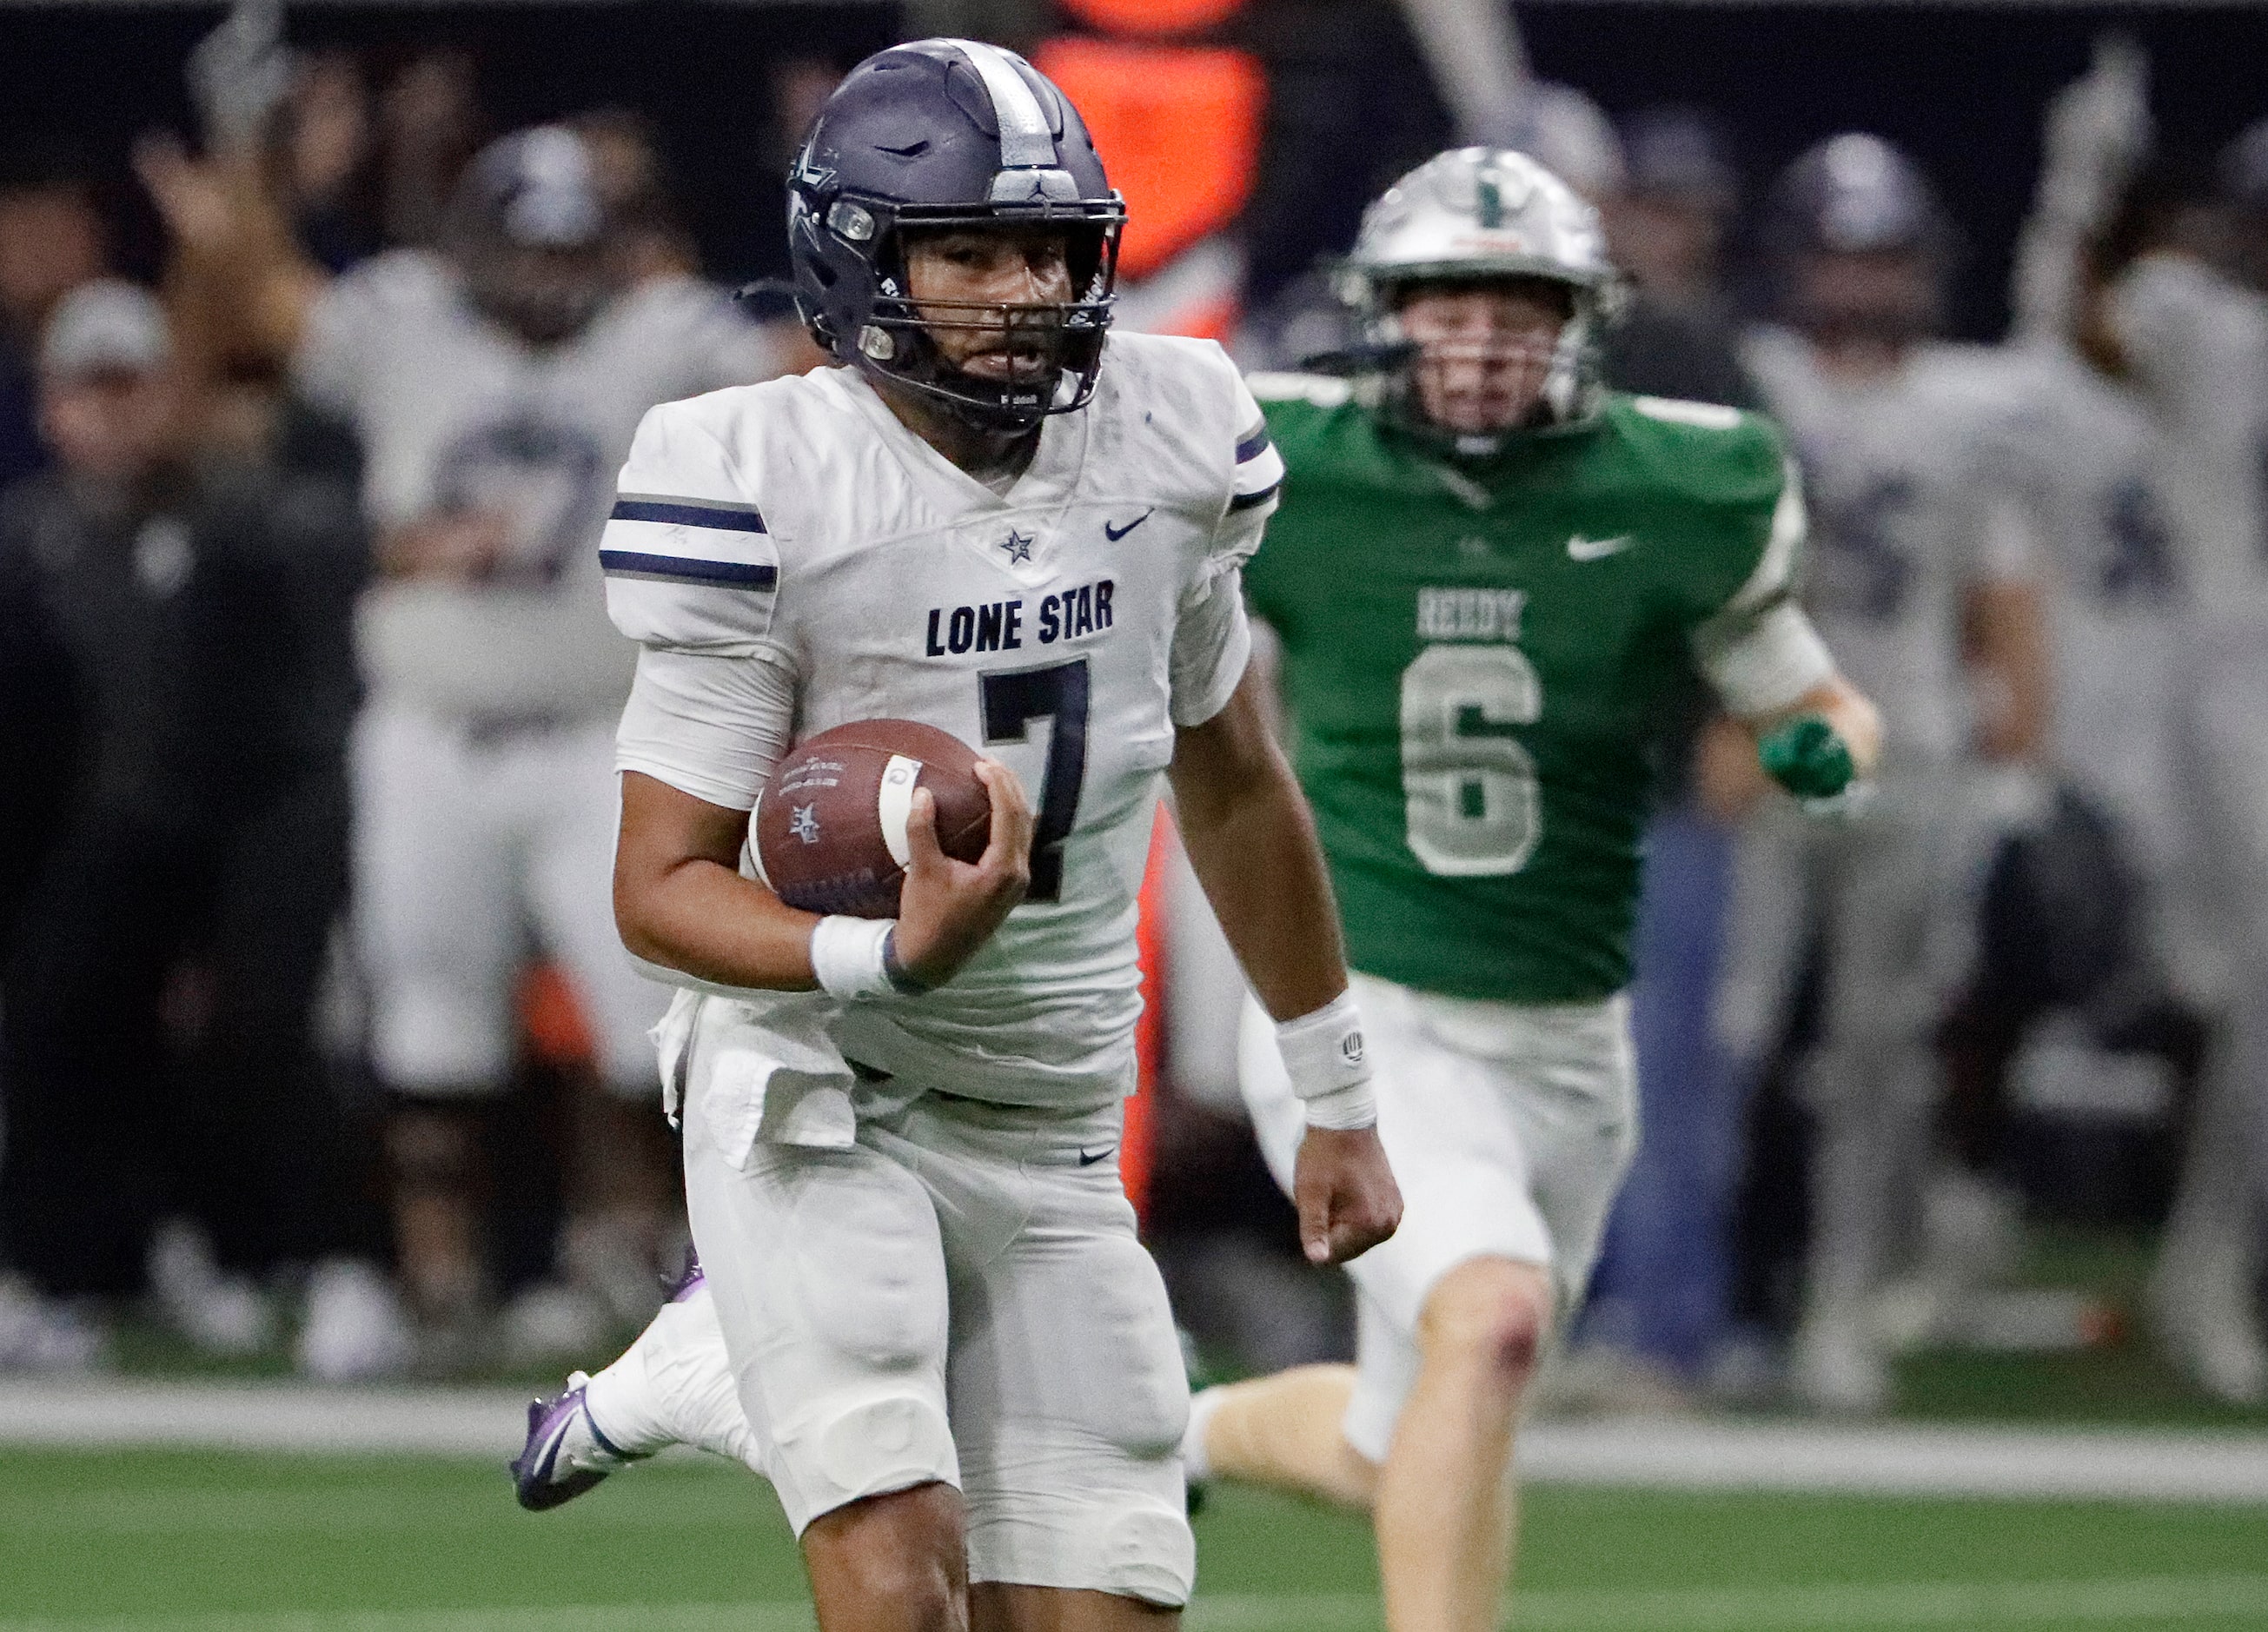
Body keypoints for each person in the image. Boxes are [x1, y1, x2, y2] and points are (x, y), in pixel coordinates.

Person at [510, 39, 1401, 1631]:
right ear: (861, 260)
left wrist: (1336, 1093)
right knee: (904, 1580)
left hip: (1053, 1109)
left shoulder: (1174, 432)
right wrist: (877, 950)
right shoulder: (758, 473)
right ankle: (756, 1341)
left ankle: (719, 1360)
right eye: (971, 250)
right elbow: (658, 890)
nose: (1022, 288)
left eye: (1053, 247)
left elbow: (1240, 782)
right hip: (819, 1086)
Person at [1174, 148, 1879, 1632]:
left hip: (1569, 1038)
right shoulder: (1278, 460)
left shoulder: (1683, 483)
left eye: (1519, 306)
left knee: (1404, 1437)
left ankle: (1155, 1437)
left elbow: (1810, 693)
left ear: (1583, 321)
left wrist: (1824, 747)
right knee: (1486, 1321)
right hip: (1363, 1012)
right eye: (1445, 304)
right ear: (1381, 313)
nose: (1481, 338)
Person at [291, 124, 784, 1361]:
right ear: (469, 241)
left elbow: (792, 377)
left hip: (601, 729)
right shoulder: (402, 321)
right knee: (425, 1016)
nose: (546, 271)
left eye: (570, 244)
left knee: (649, 1017)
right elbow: (263, 318)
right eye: (523, 242)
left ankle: (621, 1256)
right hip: (430, 728)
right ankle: (436, 1278)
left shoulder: (662, 336)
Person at [0, 281, 396, 1377]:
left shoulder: (251, 516)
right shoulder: (30, 542)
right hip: (110, 835)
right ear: (52, 407)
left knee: (275, 1032)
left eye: (135, 389)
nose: (115, 415)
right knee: (60, 1019)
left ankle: (334, 1270)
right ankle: (72, 1276)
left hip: (263, 822)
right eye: (92, 390)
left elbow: (329, 601)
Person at [1726, 135, 2048, 1413]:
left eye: (1883, 256)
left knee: (1875, 1047)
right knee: (1730, 1029)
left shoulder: (1969, 410)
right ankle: (1713, 1294)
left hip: (1905, 741)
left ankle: (1838, 1303)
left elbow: (2004, 589)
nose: (1860, 283)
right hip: (1767, 734)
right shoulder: (1752, 383)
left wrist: (2021, 749)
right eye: (1840, 253)